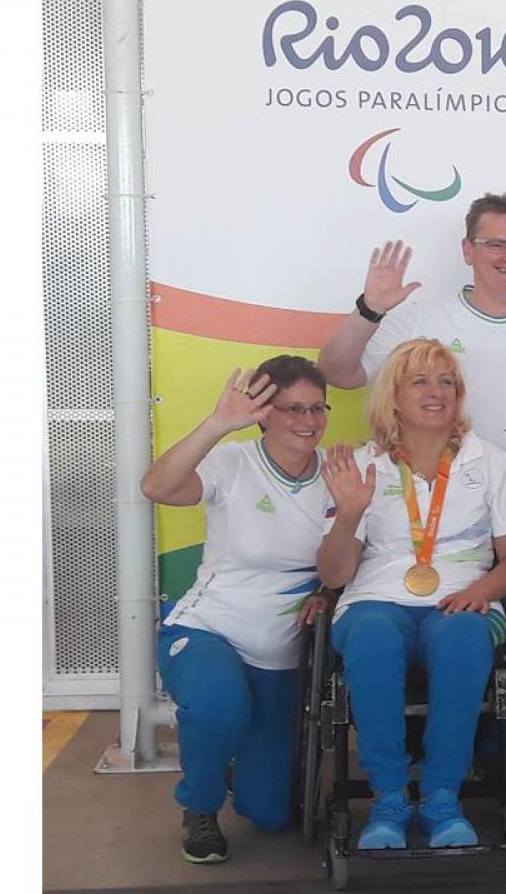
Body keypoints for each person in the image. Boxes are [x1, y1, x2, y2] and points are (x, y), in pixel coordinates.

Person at [316, 338, 506, 850]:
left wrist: (482, 590)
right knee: (369, 637)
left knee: (461, 636)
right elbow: (333, 573)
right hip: (375, 600)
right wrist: (348, 515)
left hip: (464, 599)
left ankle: (441, 796)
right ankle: (389, 798)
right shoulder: (365, 464)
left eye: (447, 382)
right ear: (392, 396)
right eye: (420, 381)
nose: (437, 392)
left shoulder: (490, 461)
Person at [142, 355, 337, 864]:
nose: (308, 421)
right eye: (293, 408)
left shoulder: (341, 473)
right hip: (210, 631)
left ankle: (229, 758)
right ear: (264, 413)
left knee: (271, 816)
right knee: (216, 704)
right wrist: (217, 424)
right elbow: (157, 488)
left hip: (281, 656)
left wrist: (329, 593)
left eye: (317, 408)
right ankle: (200, 806)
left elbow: (358, 553)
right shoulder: (232, 462)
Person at [317, 192, 506, 539]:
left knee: (500, 594)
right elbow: (337, 373)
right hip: (425, 518)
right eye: (496, 244)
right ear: (467, 250)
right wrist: (369, 310)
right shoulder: (421, 317)